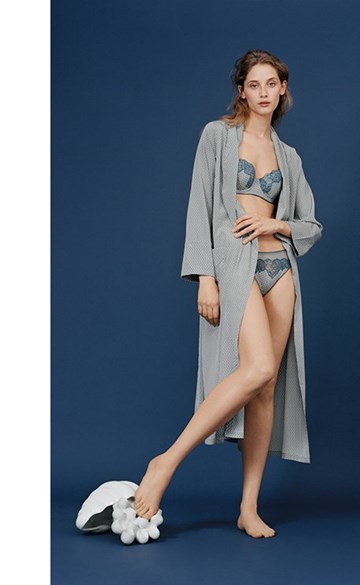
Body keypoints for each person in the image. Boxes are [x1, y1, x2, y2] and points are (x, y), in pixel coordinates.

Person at [133, 50, 323, 539]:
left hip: (279, 270)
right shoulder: (217, 137)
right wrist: (205, 277)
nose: (263, 92)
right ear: (241, 91)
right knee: (255, 367)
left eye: (272, 83)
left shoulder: (289, 157)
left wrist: (277, 223)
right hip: (235, 267)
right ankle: (165, 462)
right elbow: (199, 207)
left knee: (266, 386)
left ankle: (248, 507)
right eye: (254, 84)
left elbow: (311, 225)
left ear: (283, 89)